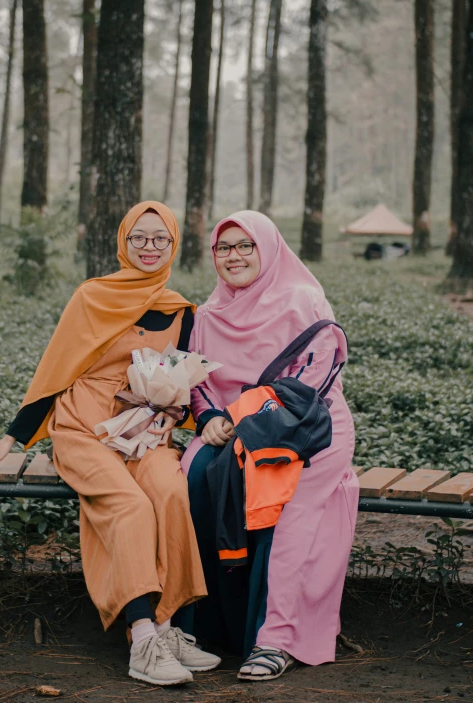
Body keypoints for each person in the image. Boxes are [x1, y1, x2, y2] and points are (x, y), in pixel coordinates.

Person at [0, 202, 220, 686]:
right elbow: (54, 371)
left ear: (173, 244)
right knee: (128, 505)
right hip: (84, 429)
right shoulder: (93, 296)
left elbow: (180, 378)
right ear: (123, 242)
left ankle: (166, 627)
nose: (149, 248)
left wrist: (174, 412)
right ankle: (142, 636)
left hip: (143, 430)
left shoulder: (179, 309)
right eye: (139, 238)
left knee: (169, 492)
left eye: (160, 239)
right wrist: (11, 440)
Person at [180, 210, 358, 681]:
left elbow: (316, 376)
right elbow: (198, 380)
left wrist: (244, 420)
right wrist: (211, 417)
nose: (234, 256)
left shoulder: (302, 299)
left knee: (288, 509)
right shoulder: (209, 313)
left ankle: (276, 637)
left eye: (246, 246)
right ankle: (199, 625)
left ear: (268, 248)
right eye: (224, 248)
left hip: (306, 431)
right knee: (191, 475)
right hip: (234, 432)